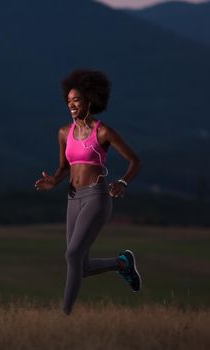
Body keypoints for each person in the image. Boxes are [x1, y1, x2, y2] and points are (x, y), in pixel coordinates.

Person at [34, 69, 143, 315]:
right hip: (73, 198)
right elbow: (64, 167)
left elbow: (135, 161)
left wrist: (123, 182)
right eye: (69, 101)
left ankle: (65, 316)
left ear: (90, 101)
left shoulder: (103, 132)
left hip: (97, 197)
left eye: (77, 100)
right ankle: (122, 263)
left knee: (72, 254)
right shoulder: (64, 133)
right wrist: (54, 181)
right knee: (79, 265)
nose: (72, 105)